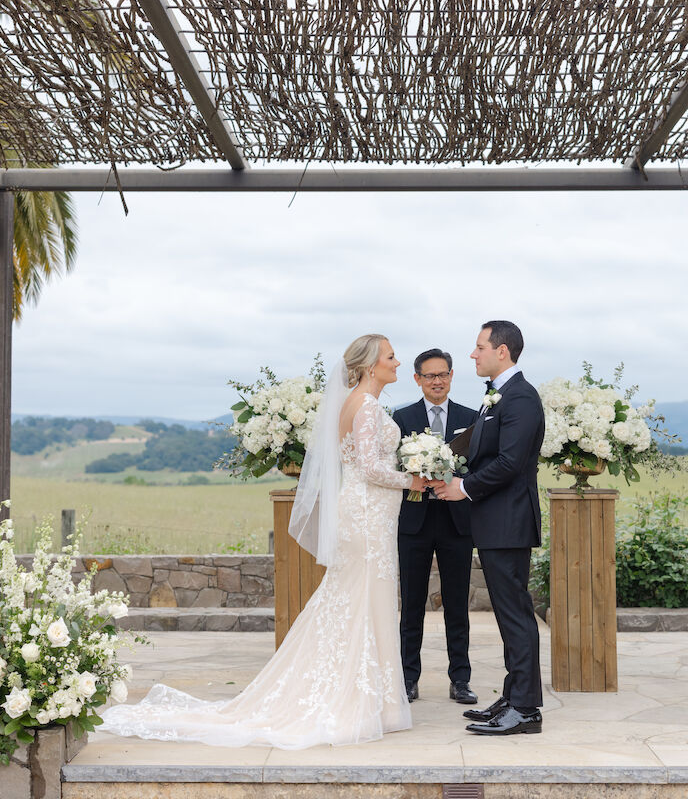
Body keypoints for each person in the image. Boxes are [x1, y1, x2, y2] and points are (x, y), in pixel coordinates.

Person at [101, 334, 428, 749]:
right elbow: (367, 468)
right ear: (369, 365)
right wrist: (413, 479)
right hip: (366, 514)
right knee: (363, 598)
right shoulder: (364, 405)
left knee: (360, 599)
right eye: (391, 356)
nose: (397, 363)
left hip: (370, 513)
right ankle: (364, 703)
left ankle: (378, 703)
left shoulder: (357, 403)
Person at [432, 321, 545, 736]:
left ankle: (526, 709)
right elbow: (484, 451)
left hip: (509, 521)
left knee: (516, 616)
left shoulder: (521, 397)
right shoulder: (498, 395)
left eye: (479, 347)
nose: (473, 354)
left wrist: (463, 488)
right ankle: (513, 697)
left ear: (502, 351)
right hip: (496, 521)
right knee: (507, 614)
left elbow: (511, 463)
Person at [392, 348, 479, 705]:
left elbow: (477, 465)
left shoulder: (471, 417)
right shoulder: (402, 417)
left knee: (457, 605)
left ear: (452, 376)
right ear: (418, 379)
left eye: (443, 374)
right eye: (430, 376)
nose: (437, 381)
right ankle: (407, 679)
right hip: (414, 521)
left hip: (457, 522)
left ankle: (460, 680)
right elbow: (394, 466)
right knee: (411, 605)